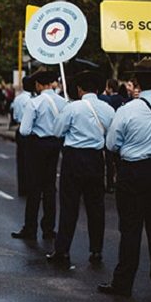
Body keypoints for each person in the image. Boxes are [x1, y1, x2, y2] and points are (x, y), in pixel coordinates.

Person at [99, 57, 151, 298]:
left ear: (136, 82)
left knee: (131, 230)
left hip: (133, 171)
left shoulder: (127, 110)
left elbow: (111, 144)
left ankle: (123, 283)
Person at [47, 71, 115, 267]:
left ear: (79, 89)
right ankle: (96, 250)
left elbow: (57, 130)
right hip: (96, 158)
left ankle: (62, 250)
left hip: (74, 158)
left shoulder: (73, 107)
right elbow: (112, 137)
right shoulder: (108, 109)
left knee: (69, 207)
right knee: (96, 207)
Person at [12, 70, 67, 240]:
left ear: (38, 85)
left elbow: (25, 130)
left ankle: (30, 228)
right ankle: (49, 228)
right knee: (50, 188)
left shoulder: (34, 103)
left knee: (34, 188)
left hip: (37, 146)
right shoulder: (63, 102)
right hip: (55, 144)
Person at [10, 75, 35, 197]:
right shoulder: (32, 100)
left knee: (21, 161)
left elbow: (14, 116)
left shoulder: (18, 98)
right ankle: (31, 187)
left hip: (19, 129)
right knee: (31, 162)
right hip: (29, 132)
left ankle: (22, 188)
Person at [98, 78, 123, 193]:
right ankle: (118, 182)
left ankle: (109, 184)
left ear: (110, 88)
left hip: (109, 133)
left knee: (108, 161)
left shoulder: (109, 100)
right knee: (117, 161)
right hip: (120, 131)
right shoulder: (122, 99)